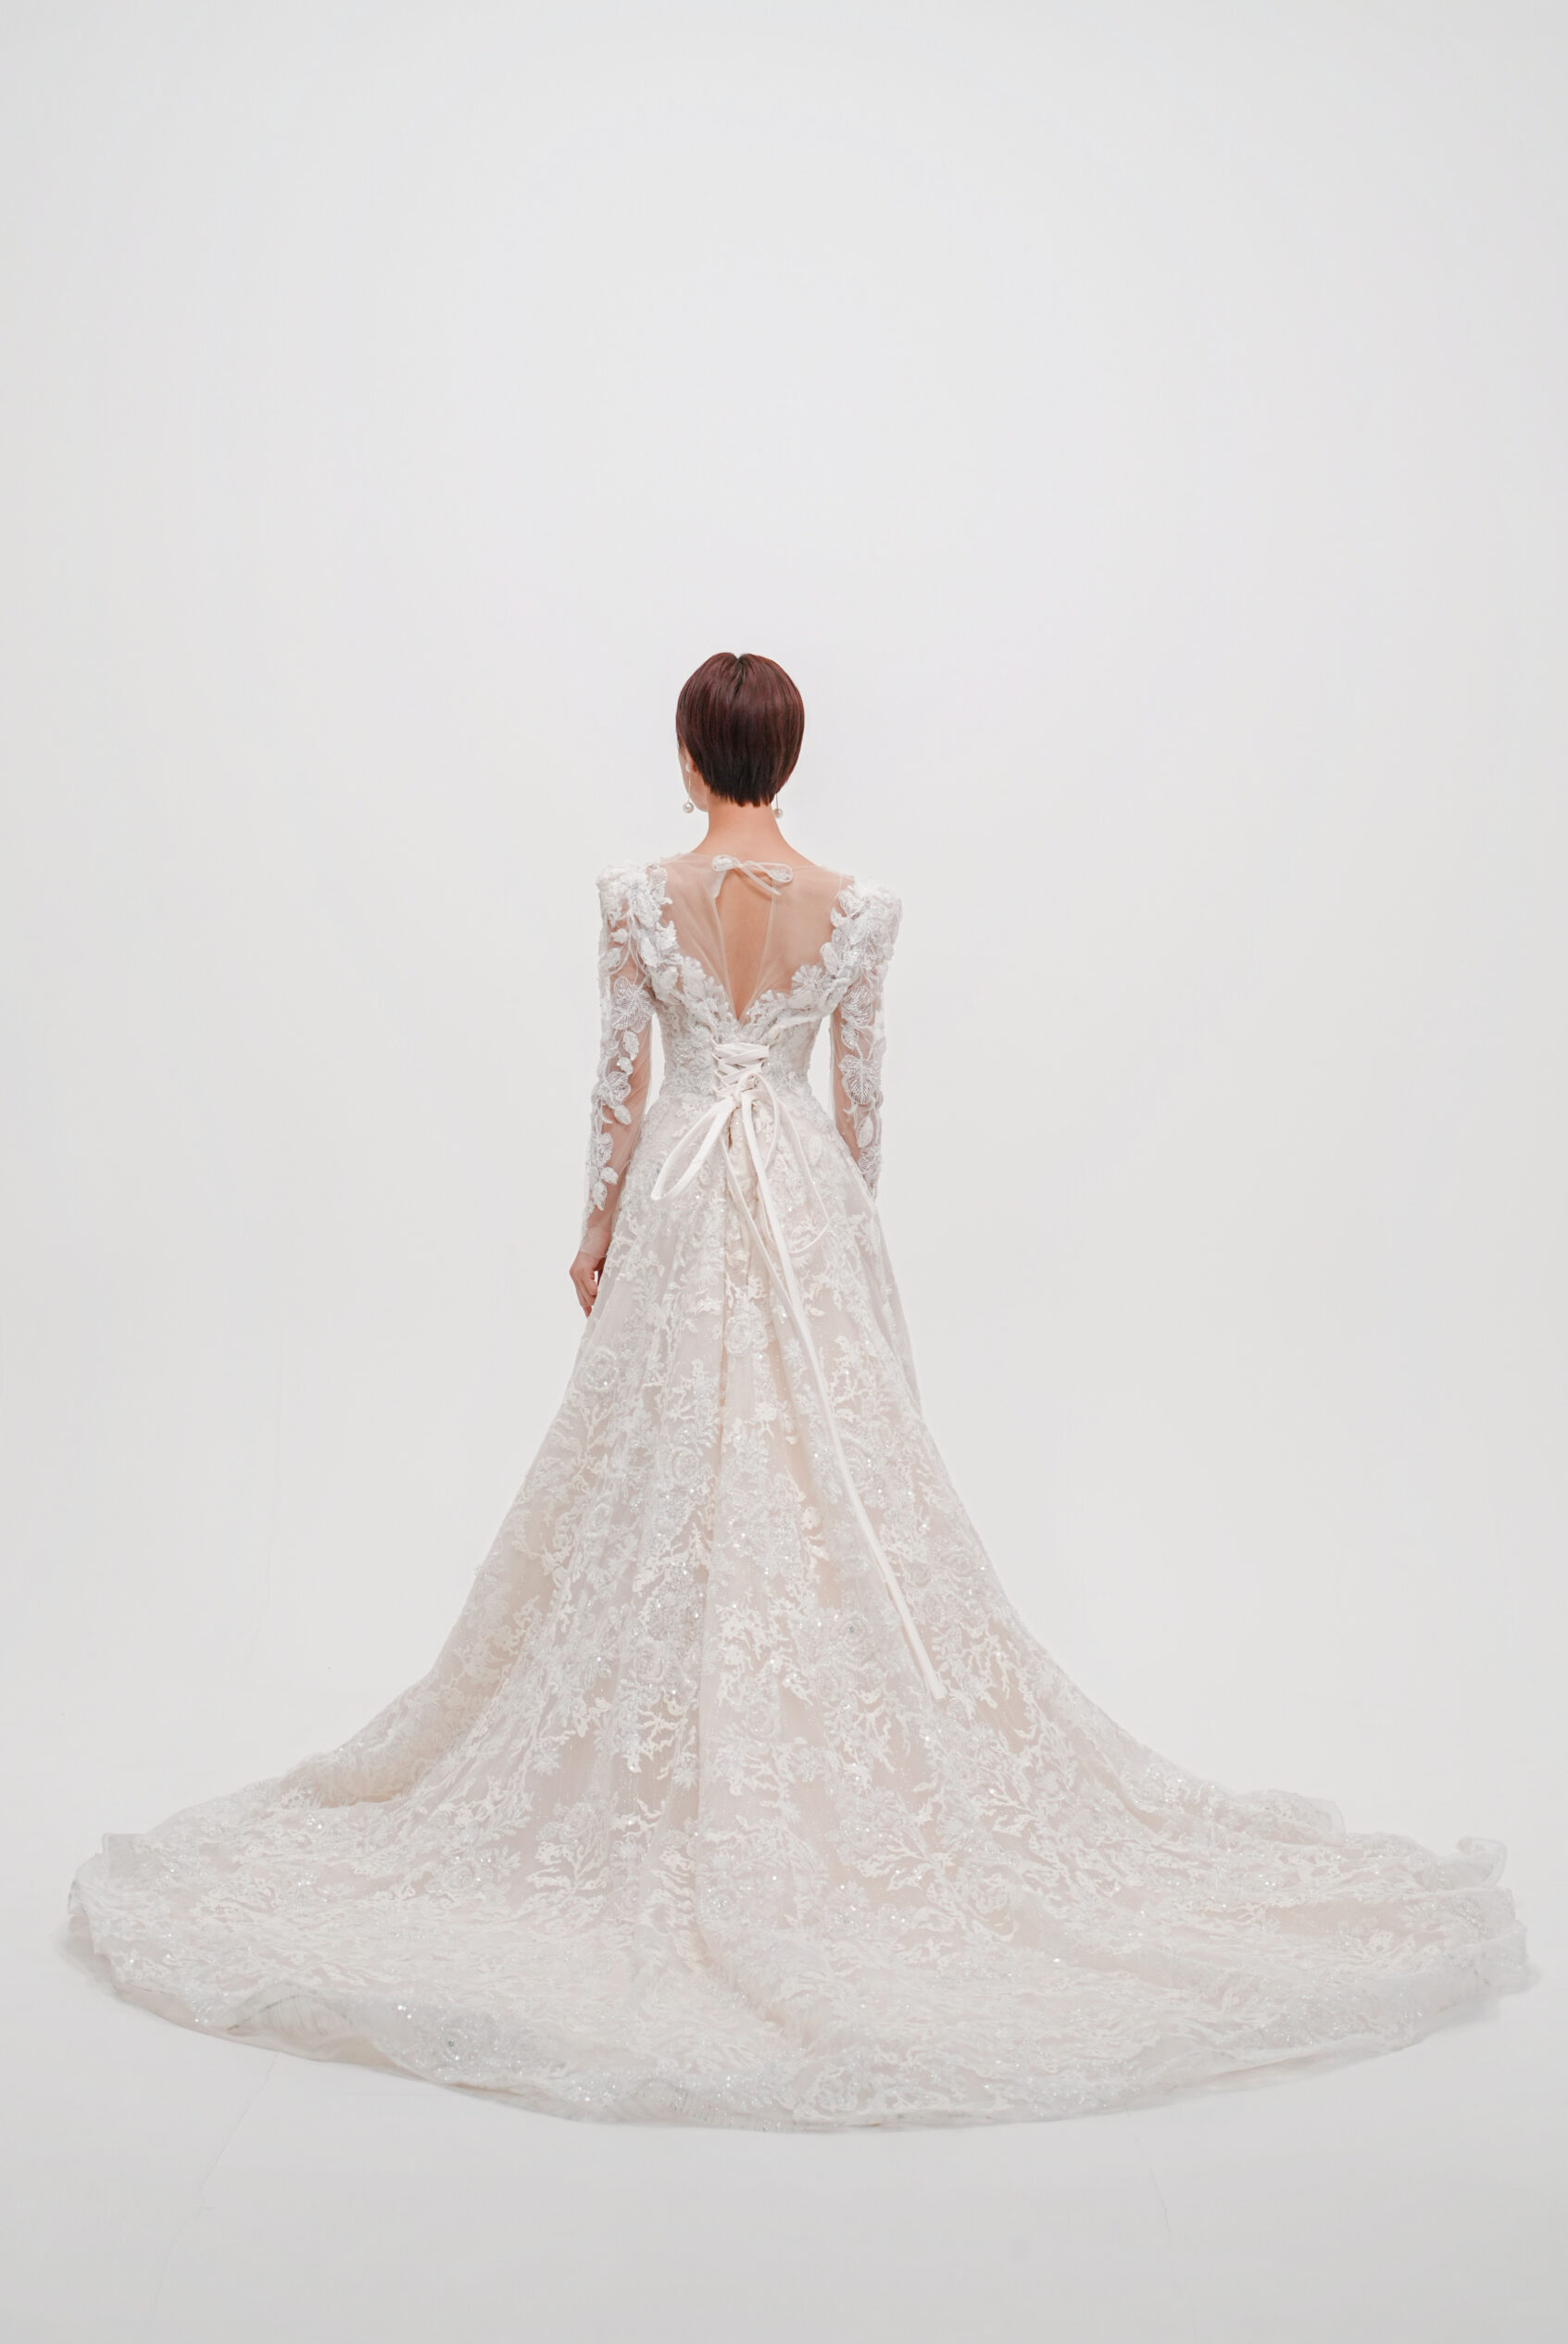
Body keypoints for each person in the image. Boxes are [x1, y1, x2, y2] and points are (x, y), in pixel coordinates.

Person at [69, 653, 1529, 2127]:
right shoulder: (858, 907)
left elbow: (618, 1085)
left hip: (680, 1193)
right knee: (816, 1467)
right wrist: (841, 1235)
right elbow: (860, 1100)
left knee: (657, 1456)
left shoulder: (636, 896)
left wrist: (594, 1229)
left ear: (689, 754)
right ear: (788, 753)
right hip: (802, 1192)